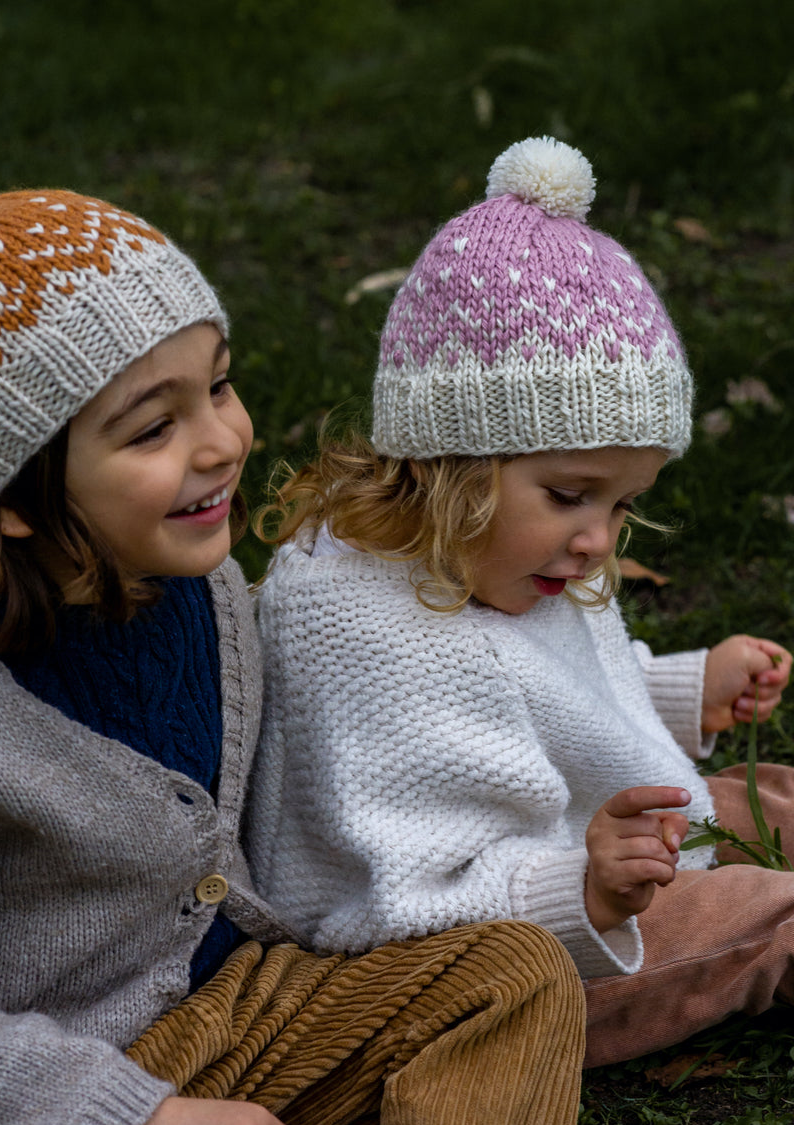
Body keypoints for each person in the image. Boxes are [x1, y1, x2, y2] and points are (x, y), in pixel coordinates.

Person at [0, 163, 601, 1125]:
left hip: (229, 1017)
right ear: (14, 498)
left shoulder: (193, 587)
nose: (221, 441)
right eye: (153, 427)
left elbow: (247, 832)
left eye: (218, 386)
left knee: (511, 977)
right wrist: (141, 1123)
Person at [248, 134, 794, 1071]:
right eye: (572, 495)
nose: (598, 540)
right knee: (769, 916)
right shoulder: (355, 625)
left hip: (589, 852)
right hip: (508, 954)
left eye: (624, 504)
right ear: (452, 463)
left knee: (777, 798)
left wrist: (678, 691)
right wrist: (582, 893)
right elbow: (398, 889)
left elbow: (542, 692)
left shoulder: (502, 552)